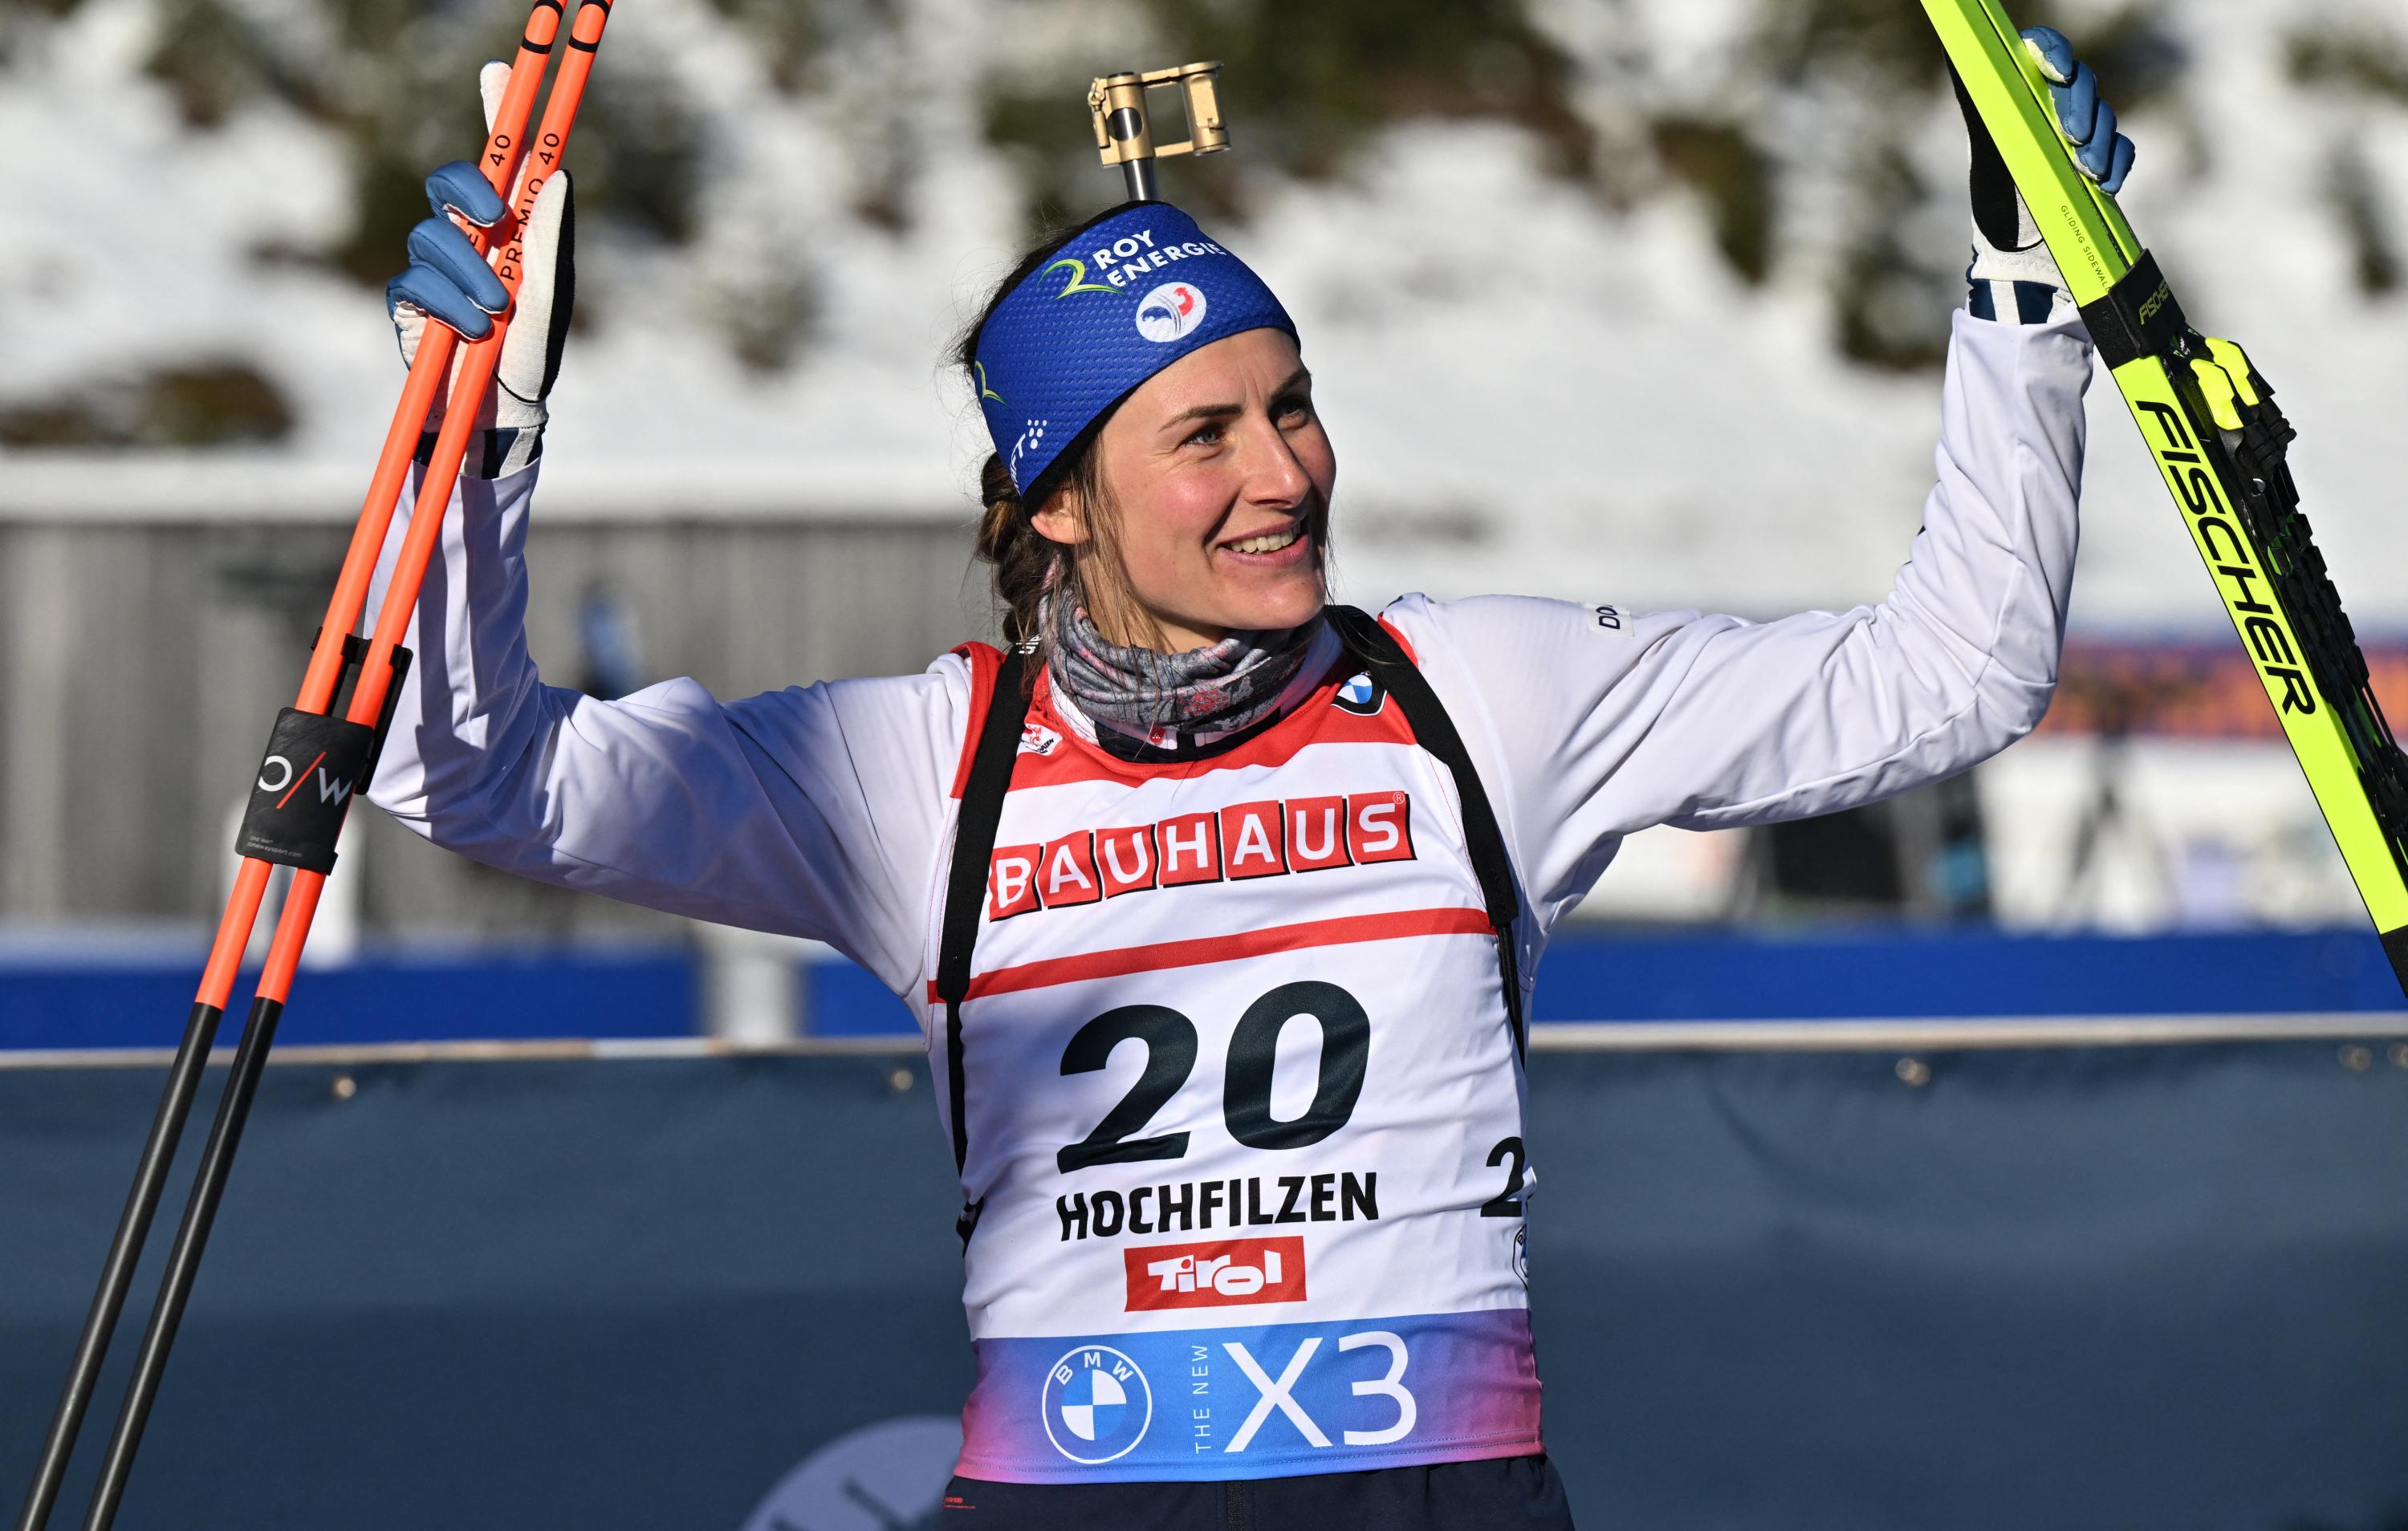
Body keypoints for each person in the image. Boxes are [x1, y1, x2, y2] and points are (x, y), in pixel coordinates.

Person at [372, 30, 2135, 1529]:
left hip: (1428, 1490)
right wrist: (475, 446)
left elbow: (1947, 677)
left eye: (1290, 406)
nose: (1281, 473)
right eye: (1200, 436)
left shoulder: (1480, 697)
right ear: (1056, 501)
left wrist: (2018, 287)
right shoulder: (927, 767)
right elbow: (470, 774)